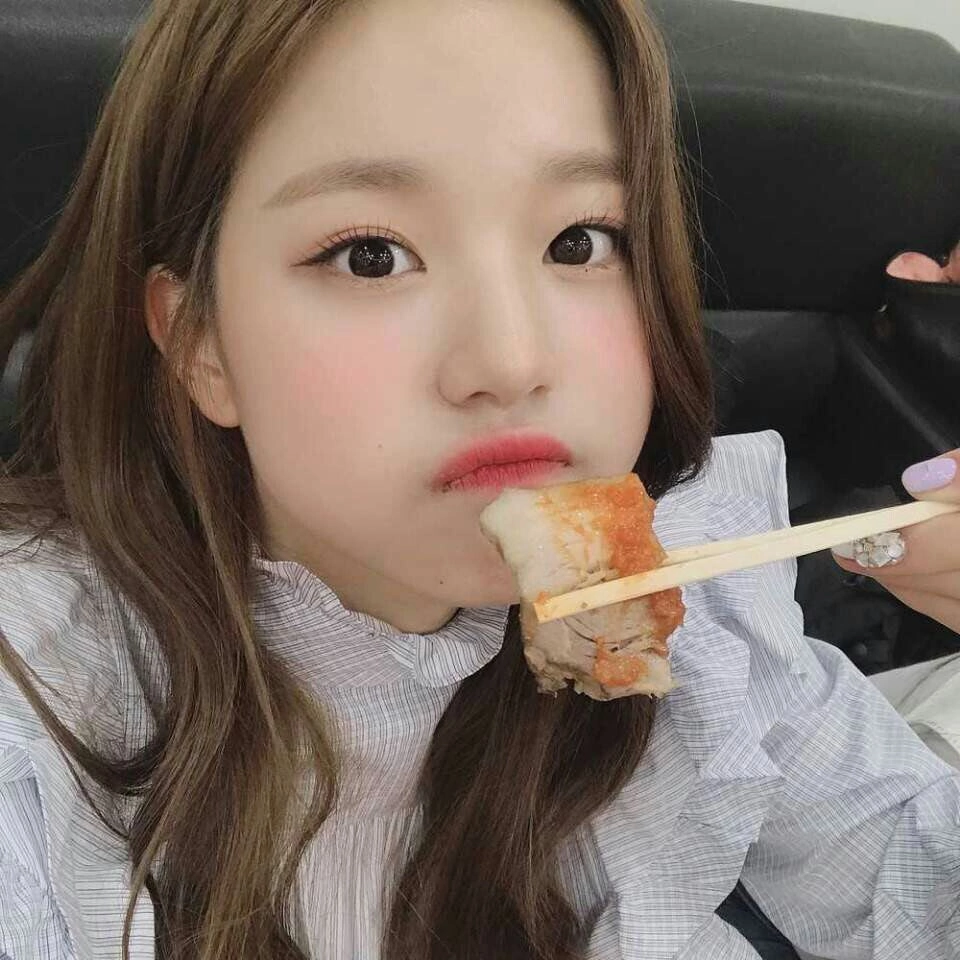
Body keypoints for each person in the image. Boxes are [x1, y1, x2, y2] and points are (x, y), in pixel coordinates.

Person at [0, 1, 956, 959]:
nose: (510, 360)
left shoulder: (699, 605)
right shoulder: (37, 730)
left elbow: (909, 886)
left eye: (580, 241)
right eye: (370, 256)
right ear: (200, 344)